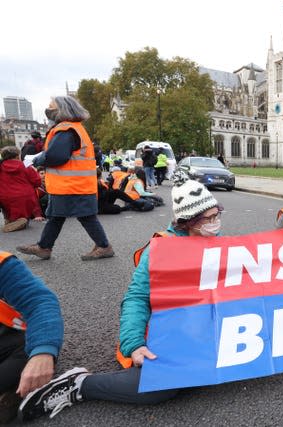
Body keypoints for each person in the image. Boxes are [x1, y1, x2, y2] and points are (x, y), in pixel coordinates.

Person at [18, 172, 223, 421]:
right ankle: (81, 385)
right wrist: (134, 344)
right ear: (188, 221)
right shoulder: (161, 250)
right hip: (165, 330)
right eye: (208, 218)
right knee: (160, 389)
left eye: (217, 216)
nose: (216, 223)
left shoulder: (217, 243)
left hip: (200, 329)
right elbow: (137, 298)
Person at [16, 96, 115, 261]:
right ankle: (44, 246)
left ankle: (104, 246)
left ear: (62, 109)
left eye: (51, 106)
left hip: (71, 185)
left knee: (81, 216)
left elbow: (56, 156)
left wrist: (37, 160)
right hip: (74, 184)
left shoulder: (66, 130)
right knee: (58, 215)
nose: (48, 109)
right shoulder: (74, 128)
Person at [0, 251, 63, 423]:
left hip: (10, 344)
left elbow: (40, 301)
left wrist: (43, 352)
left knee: (28, 346)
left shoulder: (2, 264)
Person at [0, 146, 44, 232]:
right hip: (24, 196)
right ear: (17, 156)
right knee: (24, 214)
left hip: (4, 197)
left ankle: (10, 220)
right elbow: (37, 182)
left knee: (8, 206)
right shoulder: (25, 165)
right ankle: (21, 220)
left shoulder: (0, 166)